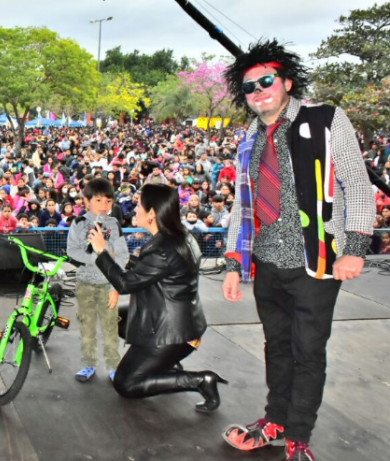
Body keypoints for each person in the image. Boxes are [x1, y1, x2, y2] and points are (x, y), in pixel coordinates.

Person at [220, 40, 373, 461]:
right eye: (249, 87)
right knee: (277, 346)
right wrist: (234, 261)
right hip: (267, 262)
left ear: (287, 80)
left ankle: (298, 435)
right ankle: (275, 420)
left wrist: (355, 247)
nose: (259, 90)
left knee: (308, 350)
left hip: (318, 260)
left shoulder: (325, 119)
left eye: (267, 80)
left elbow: (358, 185)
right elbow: (242, 203)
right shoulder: (249, 136)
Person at [89, 184, 225, 411]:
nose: (135, 210)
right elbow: (151, 271)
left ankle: (200, 380)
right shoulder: (177, 236)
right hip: (177, 321)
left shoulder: (163, 248)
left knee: (126, 383)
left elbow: (125, 284)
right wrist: (118, 258)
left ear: (152, 213)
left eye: (139, 205)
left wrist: (102, 253)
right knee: (113, 318)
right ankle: (165, 363)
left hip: (172, 333)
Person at [66, 178, 128, 382]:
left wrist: (115, 285)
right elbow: (72, 252)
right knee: (87, 327)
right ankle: (88, 364)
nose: (105, 206)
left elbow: (121, 255)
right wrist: (98, 257)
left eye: (109, 201)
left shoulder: (114, 224)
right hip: (84, 284)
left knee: (110, 326)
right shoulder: (79, 223)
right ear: (87, 201)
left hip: (107, 285)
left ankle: (113, 366)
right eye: (99, 200)